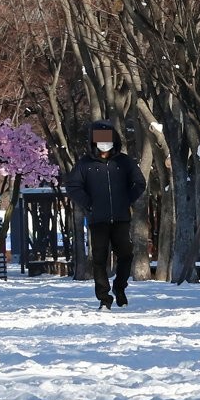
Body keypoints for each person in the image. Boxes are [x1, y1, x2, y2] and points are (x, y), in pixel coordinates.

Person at [65, 120, 147, 310]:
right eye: (100, 140)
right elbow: (73, 186)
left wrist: (127, 199)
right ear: (93, 142)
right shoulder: (85, 164)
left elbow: (139, 183)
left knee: (126, 254)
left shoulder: (124, 162)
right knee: (99, 259)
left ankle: (120, 287)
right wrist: (89, 204)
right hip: (97, 219)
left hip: (121, 218)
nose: (104, 144)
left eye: (107, 139)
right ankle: (104, 297)